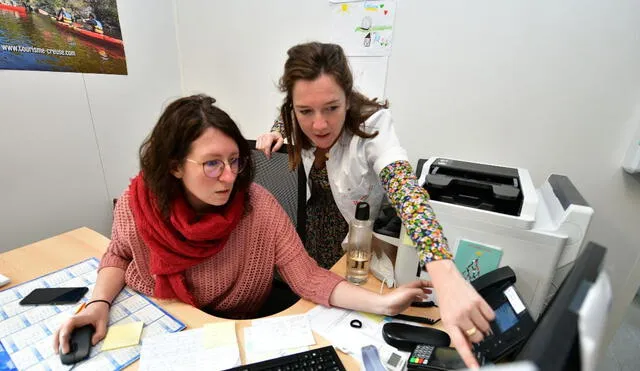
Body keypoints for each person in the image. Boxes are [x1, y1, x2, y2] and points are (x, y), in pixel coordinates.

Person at [53, 94, 432, 356]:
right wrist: (98, 304)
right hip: (155, 319)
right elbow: (118, 253)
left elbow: (308, 277)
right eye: (212, 163)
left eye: (235, 160)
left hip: (228, 333)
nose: (229, 177)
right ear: (174, 165)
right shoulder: (139, 204)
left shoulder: (258, 209)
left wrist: (383, 303)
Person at [256, 42, 495, 368]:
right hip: (305, 235)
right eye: (306, 111)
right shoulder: (293, 116)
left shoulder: (374, 127)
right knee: (309, 313)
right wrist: (275, 132)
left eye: (331, 108)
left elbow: (406, 191)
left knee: (341, 326)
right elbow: (287, 119)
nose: (320, 125)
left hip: (351, 243)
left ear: (347, 97)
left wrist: (445, 273)